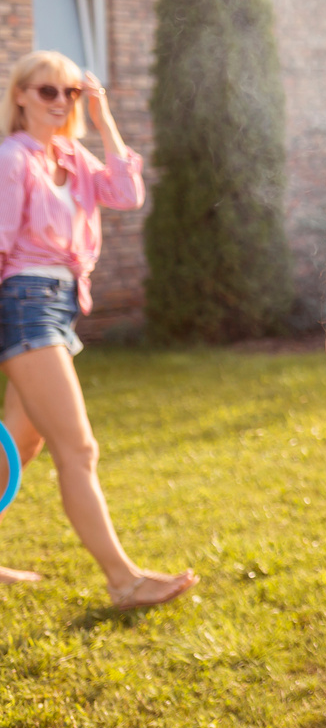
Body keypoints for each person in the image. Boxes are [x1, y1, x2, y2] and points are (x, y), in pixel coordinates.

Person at [0, 51, 198, 607]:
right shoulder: (13, 158)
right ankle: (122, 580)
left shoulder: (70, 154)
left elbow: (126, 193)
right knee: (78, 448)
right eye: (47, 91)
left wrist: (104, 117)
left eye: (69, 93)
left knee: (22, 440)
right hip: (26, 303)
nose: (61, 102)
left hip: (59, 304)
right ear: (20, 95)